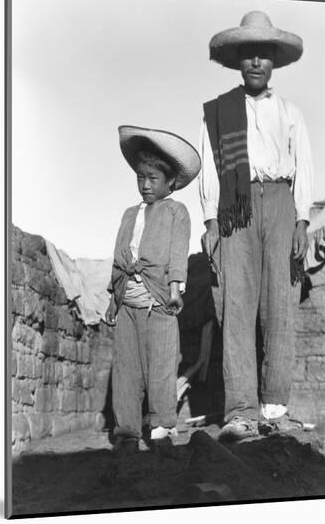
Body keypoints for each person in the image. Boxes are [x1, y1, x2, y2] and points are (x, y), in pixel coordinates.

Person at [199, 11, 314, 440]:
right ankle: (241, 410)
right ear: (238, 61)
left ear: (273, 62)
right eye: (248, 54)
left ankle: (275, 407)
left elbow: (304, 167)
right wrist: (212, 220)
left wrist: (302, 220)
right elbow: (211, 169)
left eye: (263, 54)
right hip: (236, 205)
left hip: (282, 202)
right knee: (238, 306)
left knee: (280, 305)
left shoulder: (291, 113)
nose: (255, 63)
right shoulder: (219, 112)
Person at [105, 125, 201, 454]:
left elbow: (177, 255)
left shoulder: (177, 211)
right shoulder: (129, 214)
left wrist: (175, 290)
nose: (145, 185)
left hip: (158, 302)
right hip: (127, 303)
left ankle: (161, 426)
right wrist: (113, 298)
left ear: (170, 182)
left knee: (161, 367)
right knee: (127, 369)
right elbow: (119, 257)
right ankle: (128, 431)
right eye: (140, 177)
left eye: (153, 179)